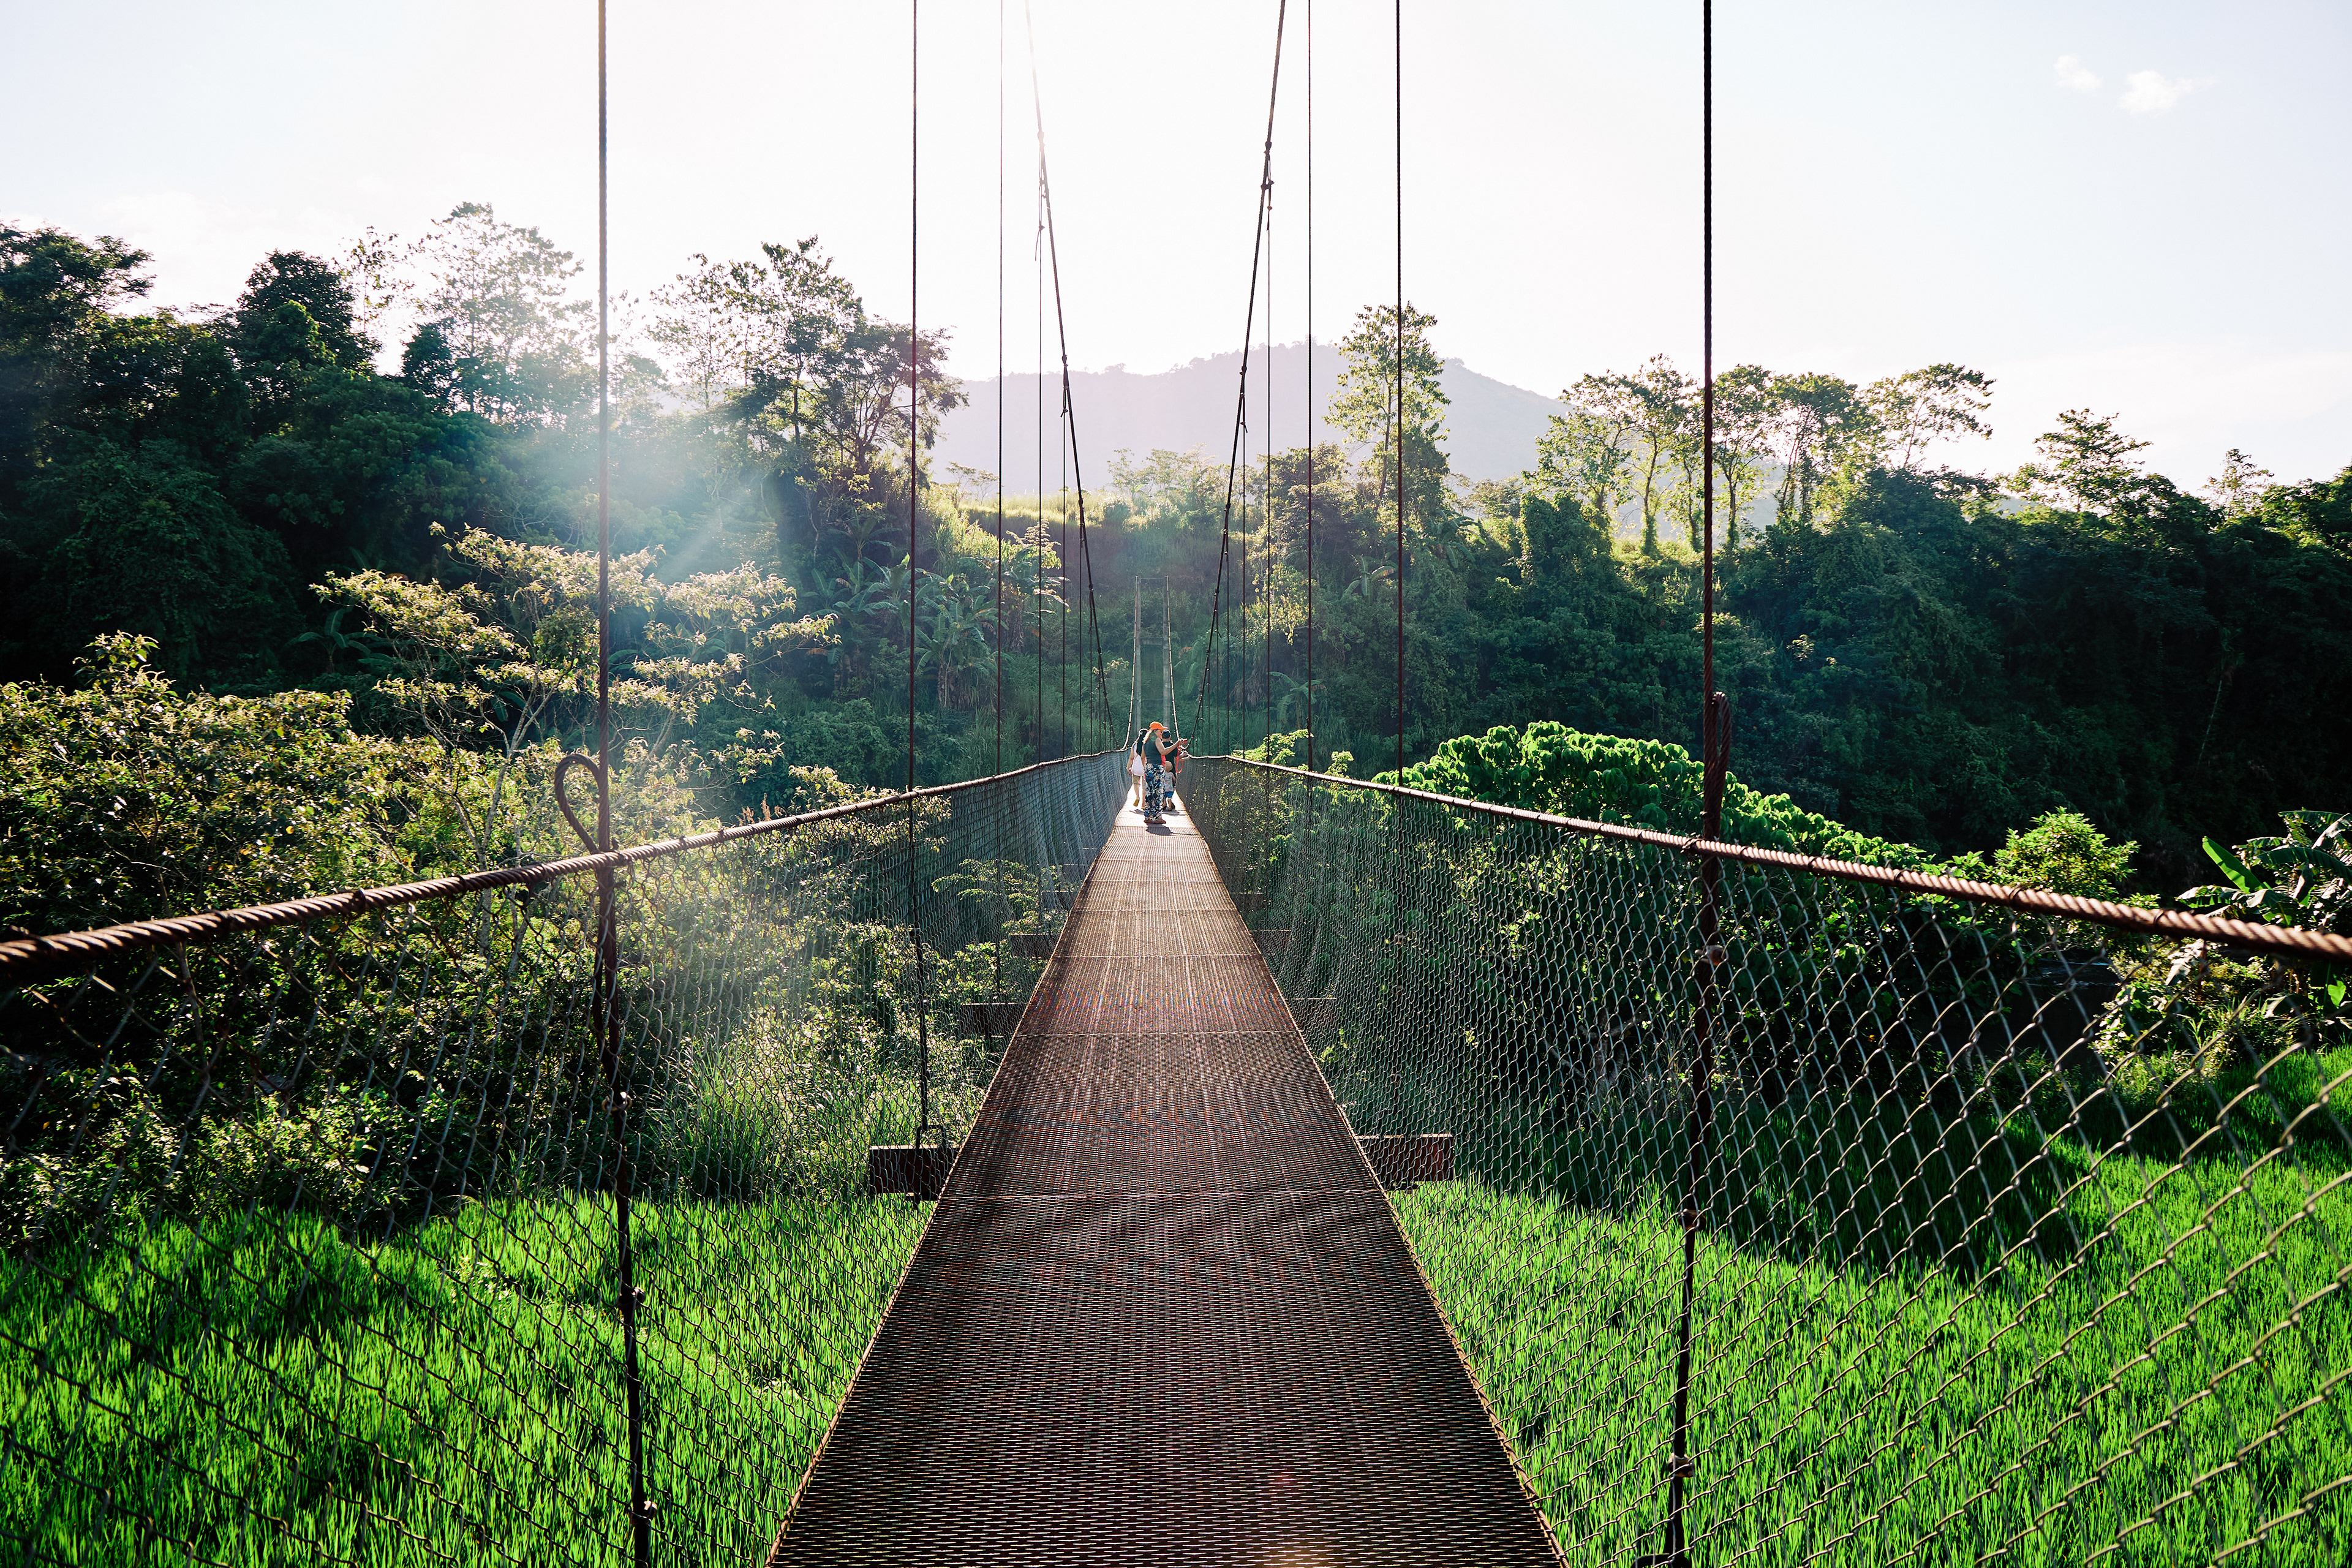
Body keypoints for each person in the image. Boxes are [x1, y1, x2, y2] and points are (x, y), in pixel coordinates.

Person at [1139, 722, 1172, 824]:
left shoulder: (1146, 741)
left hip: (1149, 767)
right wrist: (1176, 745)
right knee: (1158, 792)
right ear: (1156, 731)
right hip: (1157, 768)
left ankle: (1148, 816)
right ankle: (1157, 817)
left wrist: (1146, 768)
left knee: (1149, 792)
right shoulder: (1157, 740)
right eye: (1161, 731)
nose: (1162, 733)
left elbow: (1142, 757)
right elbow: (1163, 752)